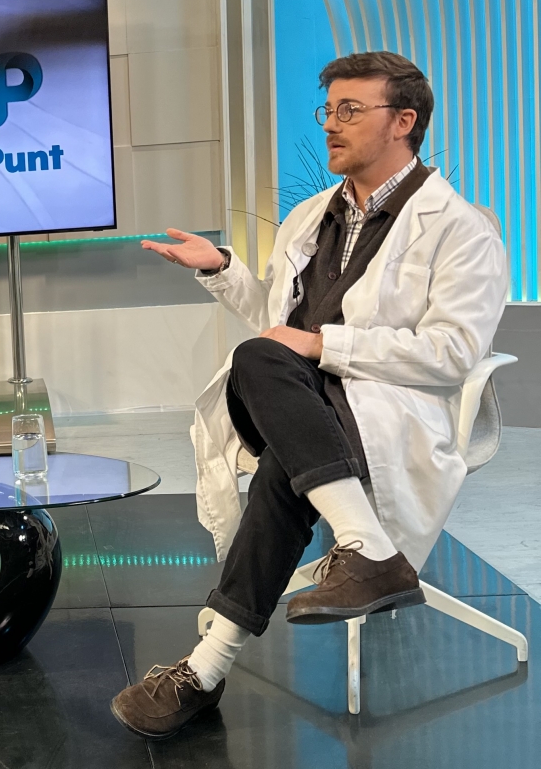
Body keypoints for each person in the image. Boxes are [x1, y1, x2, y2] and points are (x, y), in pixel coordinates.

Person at [111, 52, 507, 739]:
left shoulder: (460, 227)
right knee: (262, 360)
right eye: (329, 109)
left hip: (388, 405)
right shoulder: (310, 215)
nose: (330, 124)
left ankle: (204, 669)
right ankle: (367, 547)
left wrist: (327, 347)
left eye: (350, 110)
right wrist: (222, 269)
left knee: (284, 465)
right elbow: (275, 318)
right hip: (296, 397)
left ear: (403, 121)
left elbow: (453, 352)